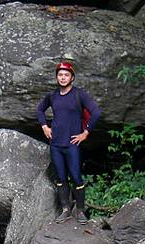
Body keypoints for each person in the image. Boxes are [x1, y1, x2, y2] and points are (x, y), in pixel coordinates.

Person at [37, 61, 100, 224]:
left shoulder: (79, 94)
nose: (63, 78)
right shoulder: (52, 96)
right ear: (57, 77)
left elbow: (96, 112)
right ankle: (65, 209)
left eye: (66, 75)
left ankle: (80, 211)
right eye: (60, 75)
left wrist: (85, 133)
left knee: (76, 177)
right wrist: (45, 126)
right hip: (56, 144)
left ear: (72, 77)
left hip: (72, 144)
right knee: (60, 177)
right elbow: (39, 109)